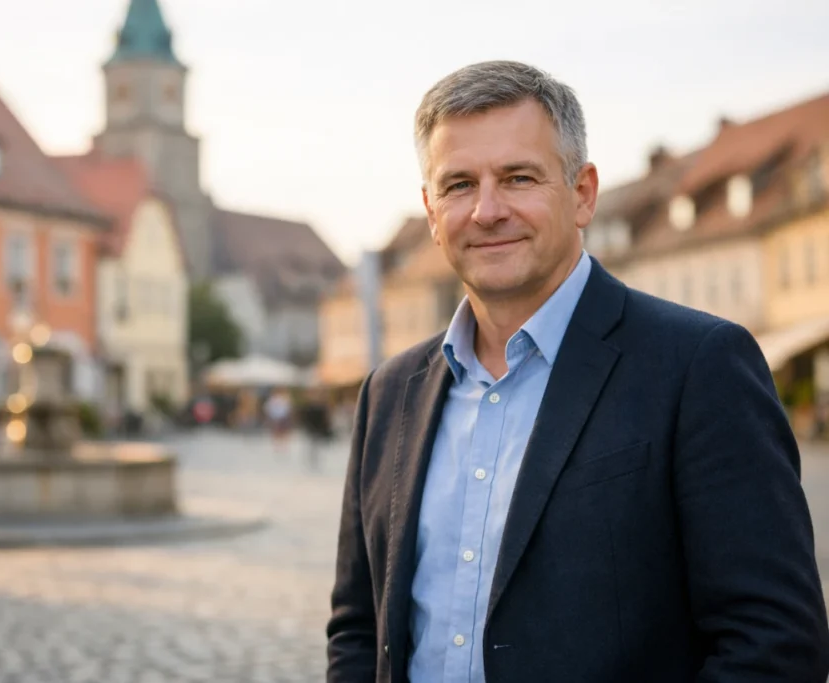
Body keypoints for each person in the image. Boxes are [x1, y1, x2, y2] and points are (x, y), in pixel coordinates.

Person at [326, 60, 829, 682]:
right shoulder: (389, 394)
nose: (487, 210)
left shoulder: (699, 366)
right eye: (458, 185)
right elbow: (358, 627)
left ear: (583, 193)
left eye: (518, 177)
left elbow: (774, 645)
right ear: (431, 212)